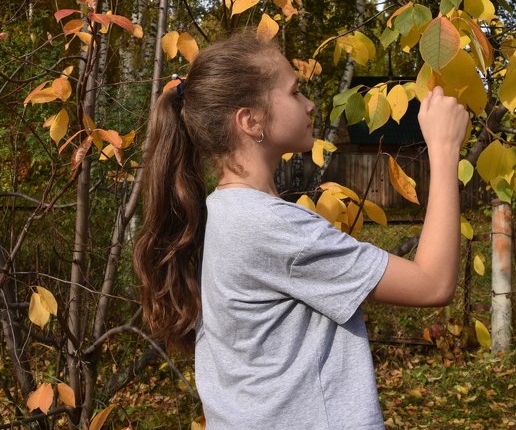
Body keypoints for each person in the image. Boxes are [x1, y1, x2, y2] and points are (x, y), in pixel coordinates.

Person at [133, 31, 470, 429]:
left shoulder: (225, 212)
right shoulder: (270, 226)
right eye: (294, 92)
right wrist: (445, 151)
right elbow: (432, 284)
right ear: (250, 120)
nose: (310, 104)